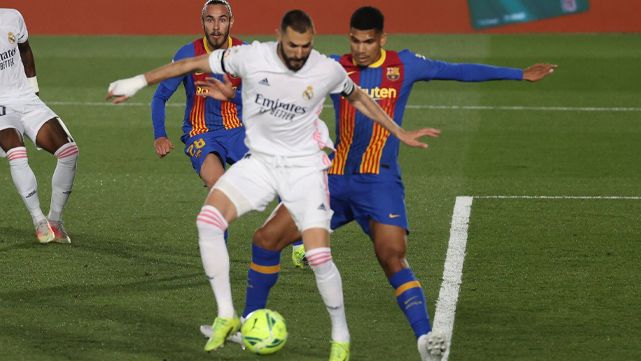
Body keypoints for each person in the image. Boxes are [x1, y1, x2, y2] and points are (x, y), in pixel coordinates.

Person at [219, 6, 557, 361]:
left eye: (368, 41)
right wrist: (234, 90)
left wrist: (519, 74)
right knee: (265, 239)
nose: (360, 48)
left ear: (382, 39)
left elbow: (457, 71)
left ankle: (425, 339)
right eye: (354, 40)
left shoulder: (405, 65)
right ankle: (247, 323)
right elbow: (278, 76)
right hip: (329, 182)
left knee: (392, 256)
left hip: (379, 185)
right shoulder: (333, 67)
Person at [107, 9, 439, 361]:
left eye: (306, 46)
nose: (299, 53)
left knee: (318, 255)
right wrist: (137, 82)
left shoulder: (325, 68)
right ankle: (227, 315)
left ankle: (340, 337)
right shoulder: (252, 55)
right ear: (279, 35)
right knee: (208, 220)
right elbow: (190, 64)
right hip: (262, 163)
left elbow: (358, 97)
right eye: (294, 45)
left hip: (304, 170)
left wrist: (398, 131)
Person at [0, 8, 79, 244]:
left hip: (26, 98)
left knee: (69, 152)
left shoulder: (12, 16)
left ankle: (55, 221)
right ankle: (38, 220)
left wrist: (33, 90)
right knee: (17, 152)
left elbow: (24, 49)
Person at [151, 0, 246, 188]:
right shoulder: (188, 54)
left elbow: (262, 99)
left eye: (222, 20)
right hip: (201, 133)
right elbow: (159, 97)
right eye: (210, 20)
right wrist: (160, 135)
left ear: (231, 22)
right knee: (218, 185)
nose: (216, 27)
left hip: (239, 131)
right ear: (202, 22)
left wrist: (232, 96)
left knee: (277, 177)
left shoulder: (245, 53)